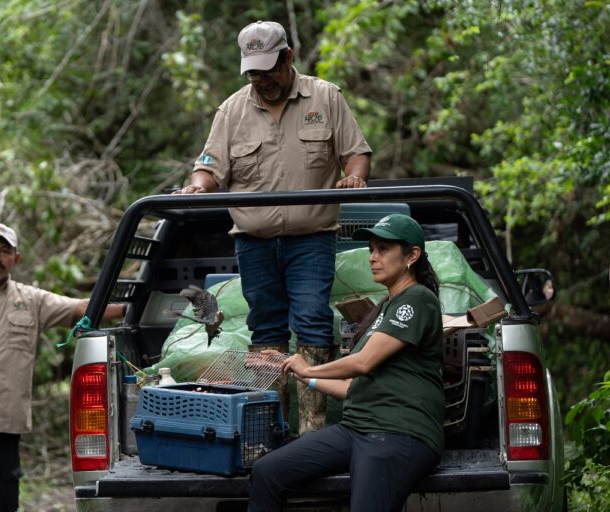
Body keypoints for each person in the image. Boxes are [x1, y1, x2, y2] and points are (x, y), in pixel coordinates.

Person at [176, 20, 372, 432]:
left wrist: (354, 175)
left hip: (311, 239)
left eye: (269, 69)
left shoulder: (325, 96)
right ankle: (272, 428)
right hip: (255, 241)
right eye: (254, 73)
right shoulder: (232, 110)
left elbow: (355, 154)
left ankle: (312, 428)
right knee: (265, 327)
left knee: (313, 321)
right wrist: (197, 186)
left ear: (288, 57)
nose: (261, 80)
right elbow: (208, 168)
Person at [0, 223, 124, 512]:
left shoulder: (32, 301)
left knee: (2, 504)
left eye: (5, 251)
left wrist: (130, 308)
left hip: (5, 424)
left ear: (17, 258)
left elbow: (80, 308)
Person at [248, 214, 444, 512]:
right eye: (371, 249)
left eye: (383, 249)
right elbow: (352, 387)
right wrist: (293, 368)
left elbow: (362, 363)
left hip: (398, 433)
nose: (373, 258)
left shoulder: (417, 299)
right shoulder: (387, 306)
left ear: (412, 255)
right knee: (267, 472)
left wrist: (308, 367)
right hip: (357, 428)